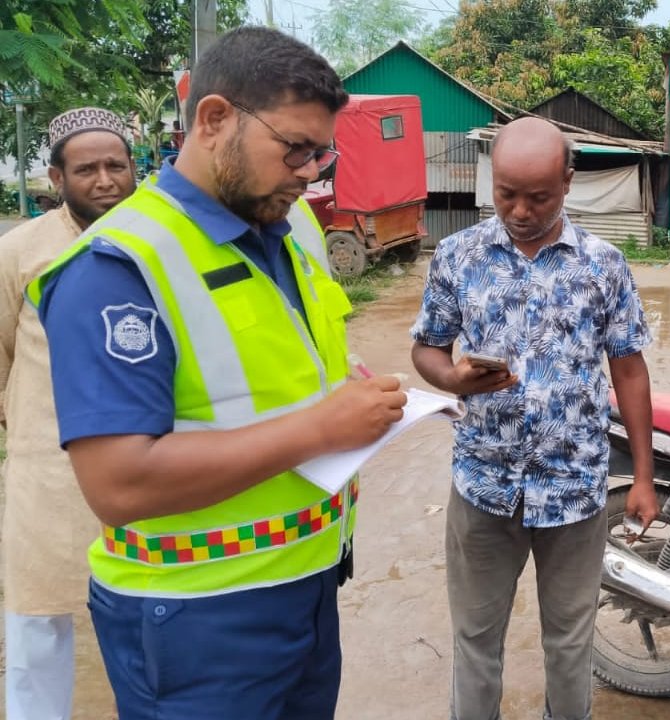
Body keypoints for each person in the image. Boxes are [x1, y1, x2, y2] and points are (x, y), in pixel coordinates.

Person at [27, 27, 407, 719]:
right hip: (197, 620)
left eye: (323, 154)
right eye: (295, 148)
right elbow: (118, 482)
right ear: (212, 120)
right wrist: (320, 428)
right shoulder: (117, 268)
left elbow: (271, 382)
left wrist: (347, 395)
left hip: (308, 590)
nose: (310, 173)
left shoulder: (284, 233)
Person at [410, 116, 658, 720]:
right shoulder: (457, 256)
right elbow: (427, 347)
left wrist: (645, 478)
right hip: (483, 484)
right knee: (475, 639)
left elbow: (628, 370)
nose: (520, 210)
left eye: (538, 197)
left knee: (570, 642)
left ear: (568, 183)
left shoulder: (604, 266)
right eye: (506, 194)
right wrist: (452, 378)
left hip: (575, 489)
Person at [0, 107, 135, 720]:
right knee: (37, 622)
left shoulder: (156, 241)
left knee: (142, 616)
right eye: (86, 169)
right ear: (57, 178)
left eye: (116, 165)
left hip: (143, 461)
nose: (104, 180)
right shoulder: (21, 251)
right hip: (46, 467)